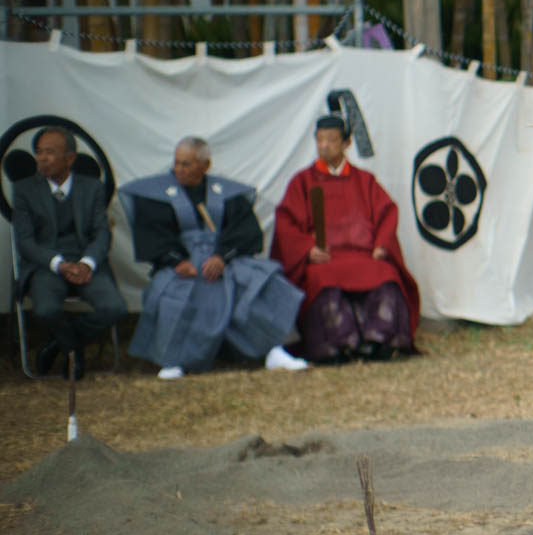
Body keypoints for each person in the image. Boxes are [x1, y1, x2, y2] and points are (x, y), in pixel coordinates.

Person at [120, 137, 308, 380]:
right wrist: (176, 260)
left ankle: (273, 350)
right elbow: (153, 234)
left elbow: (245, 232)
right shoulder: (157, 194)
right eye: (176, 163)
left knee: (263, 283)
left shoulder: (225, 193)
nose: (178, 170)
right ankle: (175, 360)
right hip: (183, 263)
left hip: (224, 261)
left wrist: (222, 257)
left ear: (205, 166)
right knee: (174, 296)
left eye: (186, 164)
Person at [270, 113, 420, 362]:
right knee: (321, 279)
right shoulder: (302, 181)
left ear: (346, 143)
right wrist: (308, 249)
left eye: (331, 140)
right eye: (319, 140)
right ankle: (337, 346)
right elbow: (286, 222)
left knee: (385, 274)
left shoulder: (365, 180)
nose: (324, 146)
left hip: (364, 255)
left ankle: (380, 341)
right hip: (326, 257)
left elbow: (387, 212)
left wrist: (382, 244)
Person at [12, 126, 127, 379]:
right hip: (47, 266)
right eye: (39, 152)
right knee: (46, 310)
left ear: (70, 158)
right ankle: (75, 353)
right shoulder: (24, 190)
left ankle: (60, 344)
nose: (42, 158)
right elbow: (26, 242)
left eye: (50, 152)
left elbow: (102, 233)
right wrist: (59, 264)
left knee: (115, 308)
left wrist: (87, 263)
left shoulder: (92, 188)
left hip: (87, 264)